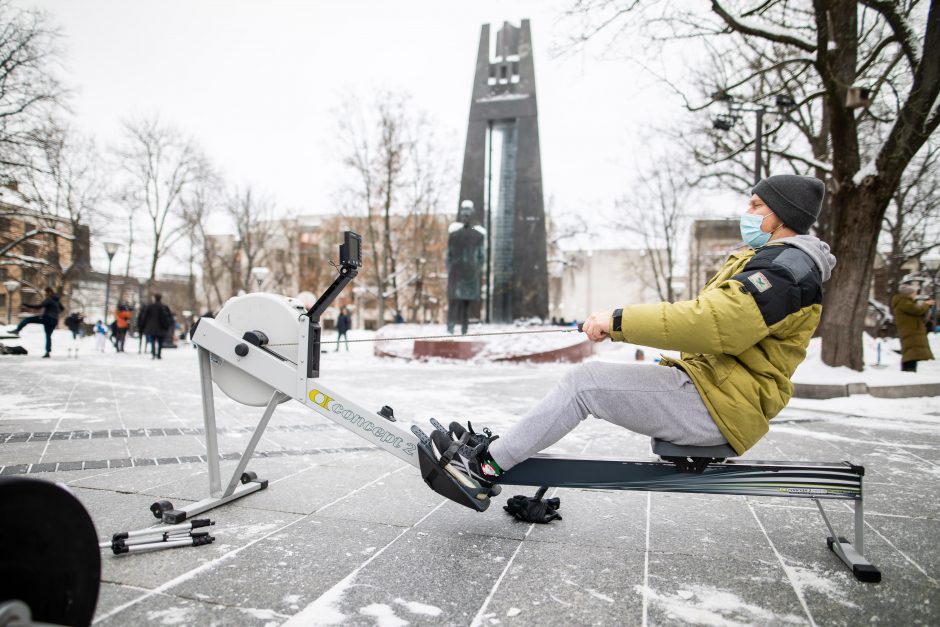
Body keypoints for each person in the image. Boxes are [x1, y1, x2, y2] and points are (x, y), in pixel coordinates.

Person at [430, 174, 836, 487]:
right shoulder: (775, 262)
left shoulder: (785, 271)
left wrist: (617, 321)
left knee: (585, 383)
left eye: (755, 205)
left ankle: (484, 466)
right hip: (718, 394)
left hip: (723, 407)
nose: (747, 212)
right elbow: (712, 322)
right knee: (588, 380)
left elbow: (712, 324)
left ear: (781, 216)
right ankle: (496, 453)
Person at [7, 287, 62, 358]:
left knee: (28, 319)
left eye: (46, 293)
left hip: (47, 318)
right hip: (54, 320)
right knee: (48, 336)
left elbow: (39, 307)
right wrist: (55, 313)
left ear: (49, 292)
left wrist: (27, 305)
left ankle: (17, 330)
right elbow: (62, 308)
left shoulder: (49, 299)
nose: (45, 294)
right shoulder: (57, 300)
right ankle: (47, 352)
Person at [891, 284, 935, 372]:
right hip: (910, 332)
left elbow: (919, 314)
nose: (915, 295)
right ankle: (909, 371)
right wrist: (926, 304)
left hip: (910, 331)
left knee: (911, 353)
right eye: (913, 293)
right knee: (911, 353)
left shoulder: (905, 303)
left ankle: (909, 370)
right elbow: (917, 310)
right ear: (908, 294)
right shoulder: (904, 303)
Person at [138, 293, 174, 360]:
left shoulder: (150, 306)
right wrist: (168, 325)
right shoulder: (164, 306)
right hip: (161, 327)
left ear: (154, 298)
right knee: (160, 341)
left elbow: (144, 317)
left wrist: (142, 326)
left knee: (153, 340)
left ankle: (154, 353)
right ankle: (159, 354)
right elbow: (170, 317)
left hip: (152, 327)